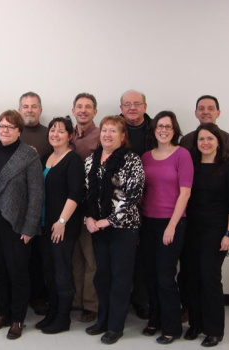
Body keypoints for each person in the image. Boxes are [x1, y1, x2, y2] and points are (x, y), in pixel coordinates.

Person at [0, 110, 43, 340]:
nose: (4, 130)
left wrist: (30, 227)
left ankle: (18, 318)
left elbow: (36, 194)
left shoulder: (28, 156)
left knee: (18, 272)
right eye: (1, 126)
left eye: (10, 127)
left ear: (19, 131)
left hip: (17, 224)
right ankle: (2, 313)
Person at [84, 115, 145, 345]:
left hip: (124, 228)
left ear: (122, 136)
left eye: (113, 131)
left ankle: (115, 326)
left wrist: (107, 220)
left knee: (120, 278)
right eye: (104, 130)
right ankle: (102, 319)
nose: (107, 135)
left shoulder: (131, 160)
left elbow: (133, 196)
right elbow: (86, 193)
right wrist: (88, 218)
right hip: (98, 228)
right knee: (102, 276)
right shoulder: (91, 160)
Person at [184, 123, 229, 347]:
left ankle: (215, 329)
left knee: (210, 279)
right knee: (190, 278)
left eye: (209, 139)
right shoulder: (192, 164)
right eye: (201, 139)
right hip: (190, 230)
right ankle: (195, 324)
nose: (205, 143)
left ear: (218, 141)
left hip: (216, 232)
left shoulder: (228, 166)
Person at [140, 111, 193, 344]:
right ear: (154, 130)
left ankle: (172, 326)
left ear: (174, 130)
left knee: (165, 276)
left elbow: (185, 193)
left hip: (172, 222)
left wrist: (171, 225)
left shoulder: (182, 155)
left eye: (168, 127)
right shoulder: (145, 157)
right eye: (159, 126)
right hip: (147, 222)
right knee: (149, 274)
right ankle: (154, 319)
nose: (163, 130)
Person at [36, 117, 84, 334]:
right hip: (45, 225)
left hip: (62, 227)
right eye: (52, 130)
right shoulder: (47, 158)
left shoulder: (73, 160)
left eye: (61, 131)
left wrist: (62, 221)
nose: (55, 134)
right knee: (49, 270)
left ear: (70, 136)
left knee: (62, 271)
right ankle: (53, 313)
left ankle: (63, 318)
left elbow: (76, 193)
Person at [119, 89, 151, 319]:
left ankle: (142, 301)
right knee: (121, 257)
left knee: (143, 257)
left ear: (145, 107)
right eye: (127, 104)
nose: (132, 107)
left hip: (150, 203)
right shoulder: (113, 130)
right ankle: (119, 302)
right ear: (121, 108)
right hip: (118, 205)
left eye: (137, 103)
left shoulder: (156, 129)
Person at [18, 91, 50, 315]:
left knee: (39, 256)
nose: (29, 110)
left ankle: (39, 297)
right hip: (15, 205)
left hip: (41, 205)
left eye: (34, 106)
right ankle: (19, 297)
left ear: (40, 109)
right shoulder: (11, 132)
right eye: (25, 106)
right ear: (19, 109)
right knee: (18, 255)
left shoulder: (50, 134)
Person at [70, 93, 100, 323]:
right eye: (79, 106)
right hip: (70, 207)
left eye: (88, 107)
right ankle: (77, 301)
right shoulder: (67, 135)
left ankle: (91, 305)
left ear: (94, 112)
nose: (83, 110)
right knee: (76, 258)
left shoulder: (101, 136)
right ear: (73, 110)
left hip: (91, 207)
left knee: (92, 260)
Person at [180, 95, 229, 185]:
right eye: (201, 108)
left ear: (218, 113)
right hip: (192, 196)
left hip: (223, 197)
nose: (206, 112)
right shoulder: (186, 141)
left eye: (211, 108)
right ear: (196, 113)